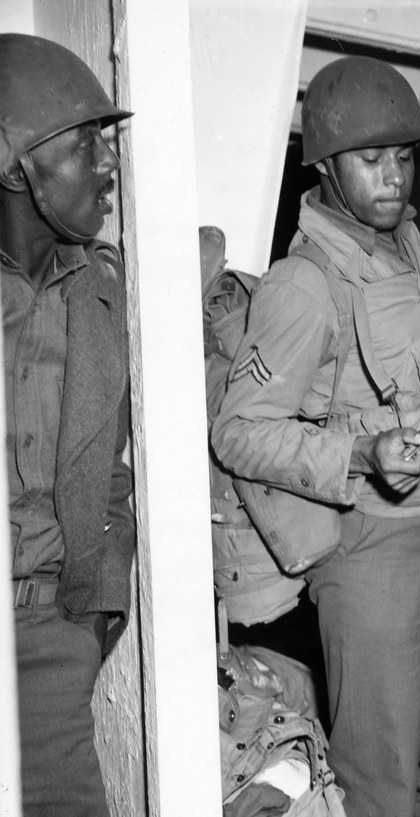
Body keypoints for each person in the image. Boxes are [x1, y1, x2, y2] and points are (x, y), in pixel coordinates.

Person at [211, 55, 420, 817]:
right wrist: (360, 453)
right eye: (371, 160)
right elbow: (239, 433)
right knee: (378, 779)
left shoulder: (408, 248)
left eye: (403, 156)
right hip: (373, 551)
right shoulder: (305, 283)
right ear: (327, 168)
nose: (394, 177)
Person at [1, 33, 135, 816]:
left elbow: (111, 473)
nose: (108, 163)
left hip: (50, 635)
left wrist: (93, 614)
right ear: (17, 166)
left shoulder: (101, 295)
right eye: (86, 144)